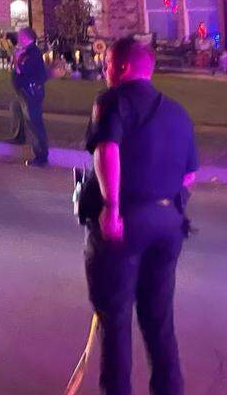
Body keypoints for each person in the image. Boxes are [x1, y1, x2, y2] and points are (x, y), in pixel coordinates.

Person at [84, 36, 197, 395]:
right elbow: (190, 174)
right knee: (158, 318)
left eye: (107, 65)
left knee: (116, 320)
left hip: (126, 223)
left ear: (121, 67)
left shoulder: (112, 101)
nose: (104, 71)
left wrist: (111, 208)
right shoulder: (178, 111)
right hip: (169, 224)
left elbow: (107, 149)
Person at [12, 27, 48, 166]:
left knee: (35, 124)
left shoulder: (32, 53)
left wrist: (16, 58)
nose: (19, 38)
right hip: (25, 92)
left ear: (27, 37)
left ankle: (41, 156)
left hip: (31, 93)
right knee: (29, 121)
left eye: (21, 35)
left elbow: (22, 70)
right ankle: (21, 139)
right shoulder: (27, 52)